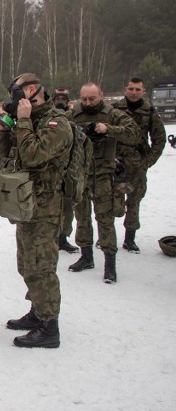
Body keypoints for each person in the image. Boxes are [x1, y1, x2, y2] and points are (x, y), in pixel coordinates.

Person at [0, 73, 72, 348]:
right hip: (25, 204)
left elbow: (33, 156)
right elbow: (2, 155)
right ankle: (38, 313)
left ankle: (50, 328)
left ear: (30, 90)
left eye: (16, 92)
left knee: (42, 267)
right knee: (27, 265)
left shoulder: (56, 123)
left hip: (46, 208)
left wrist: (24, 121)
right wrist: (4, 129)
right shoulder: (27, 121)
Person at [68, 82, 141, 283]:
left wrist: (108, 129)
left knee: (105, 219)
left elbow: (134, 134)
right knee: (81, 217)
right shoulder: (74, 114)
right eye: (84, 99)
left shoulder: (113, 114)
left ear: (101, 95)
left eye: (92, 98)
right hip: (81, 173)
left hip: (103, 175)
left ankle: (110, 263)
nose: (88, 102)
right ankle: (86, 256)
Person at [112, 77, 167, 253]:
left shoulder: (149, 112)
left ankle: (129, 239)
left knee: (134, 203)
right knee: (113, 203)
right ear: (125, 90)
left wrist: (148, 161)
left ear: (143, 91)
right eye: (131, 89)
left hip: (138, 165)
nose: (134, 92)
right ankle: (108, 238)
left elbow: (159, 139)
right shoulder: (114, 110)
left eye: (137, 89)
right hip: (117, 164)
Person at [52, 88, 79, 254]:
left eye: (63, 99)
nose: (60, 102)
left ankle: (63, 238)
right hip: (54, 169)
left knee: (69, 207)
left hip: (71, 168)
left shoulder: (75, 116)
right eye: (58, 99)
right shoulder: (50, 118)